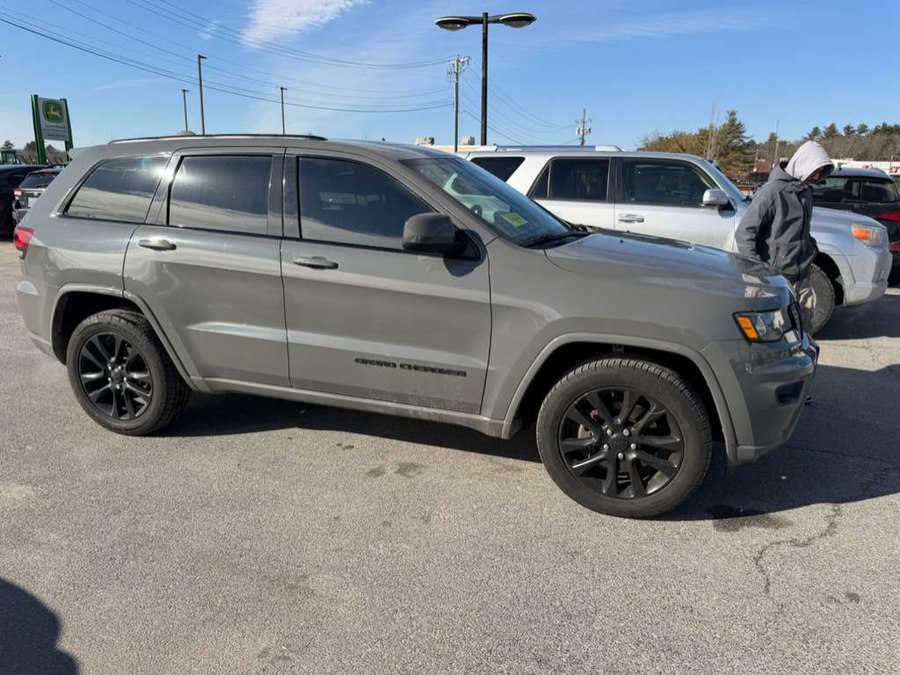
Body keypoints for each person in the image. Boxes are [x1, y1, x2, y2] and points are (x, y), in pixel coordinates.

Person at [735, 140, 834, 316]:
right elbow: (744, 233)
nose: (817, 176)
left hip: (802, 277)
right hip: (772, 279)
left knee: (803, 329)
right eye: (815, 170)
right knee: (769, 334)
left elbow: (802, 231)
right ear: (803, 164)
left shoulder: (806, 192)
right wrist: (757, 270)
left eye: (820, 172)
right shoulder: (772, 193)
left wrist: (811, 249)